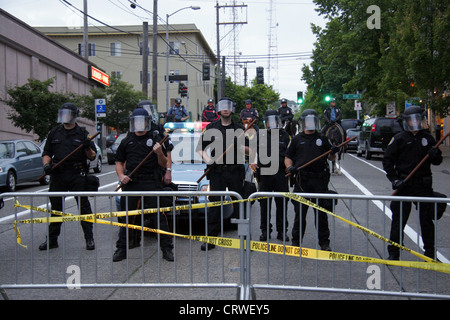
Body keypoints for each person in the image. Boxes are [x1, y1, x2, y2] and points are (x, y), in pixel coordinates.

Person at [113, 108, 174, 262]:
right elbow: (119, 161)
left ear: (147, 122)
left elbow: (164, 163)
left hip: (151, 181)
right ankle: (121, 249)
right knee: (127, 217)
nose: (139, 124)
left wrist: (159, 153)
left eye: (142, 120)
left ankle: (167, 249)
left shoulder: (156, 138)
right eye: (136, 120)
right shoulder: (127, 140)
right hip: (132, 182)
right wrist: (121, 176)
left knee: (158, 217)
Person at [382, 106, 443, 261]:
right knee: (399, 220)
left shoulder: (428, 138)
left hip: (423, 185)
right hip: (404, 184)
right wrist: (394, 179)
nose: (415, 122)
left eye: (417, 119)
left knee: (426, 221)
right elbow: (388, 160)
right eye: (412, 119)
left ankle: (430, 253)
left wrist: (435, 155)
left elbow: (437, 161)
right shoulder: (400, 138)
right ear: (407, 121)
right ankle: (394, 252)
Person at [39, 102, 97, 251]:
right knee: (56, 209)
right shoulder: (54, 133)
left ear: (74, 115)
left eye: (68, 113)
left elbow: (92, 156)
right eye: (63, 113)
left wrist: (86, 147)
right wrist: (47, 165)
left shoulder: (83, 133)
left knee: (84, 208)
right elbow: (46, 153)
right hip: (59, 175)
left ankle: (89, 239)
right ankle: (52, 240)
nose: (65, 116)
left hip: (77, 174)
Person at [196, 97, 249, 250]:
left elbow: (250, 150)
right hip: (217, 172)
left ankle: (244, 239)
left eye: (229, 106)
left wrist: (239, 146)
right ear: (219, 109)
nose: (226, 109)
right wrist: (208, 160)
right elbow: (200, 148)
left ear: (232, 109)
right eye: (223, 106)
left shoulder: (239, 129)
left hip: (235, 171)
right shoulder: (211, 127)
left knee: (239, 205)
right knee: (214, 205)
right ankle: (211, 239)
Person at [285, 109, 340, 251]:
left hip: (319, 182)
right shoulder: (297, 139)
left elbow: (330, 158)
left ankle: (324, 243)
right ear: (303, 122)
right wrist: (290, 168)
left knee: (321, 215)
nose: (310, 123)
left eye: (312, 120)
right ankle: (296, 242)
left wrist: (333, 153)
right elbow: (288, 157)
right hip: (302, 182)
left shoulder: (322, 139)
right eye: (308, 120)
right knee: (300, 214)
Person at [250, 110, 291, 241]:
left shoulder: (285, 135)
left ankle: (282, 231)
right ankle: (265, 231)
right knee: (264, 204)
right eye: (269, 121)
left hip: (280, 173)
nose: (272, 123)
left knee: (282, 204)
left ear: (278, 121)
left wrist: (290, 167)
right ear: (265, 122)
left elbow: (291, 154)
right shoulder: (259, 135)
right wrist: (252, 162)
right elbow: (251, 150)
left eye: (274, 120)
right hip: (265, 174)